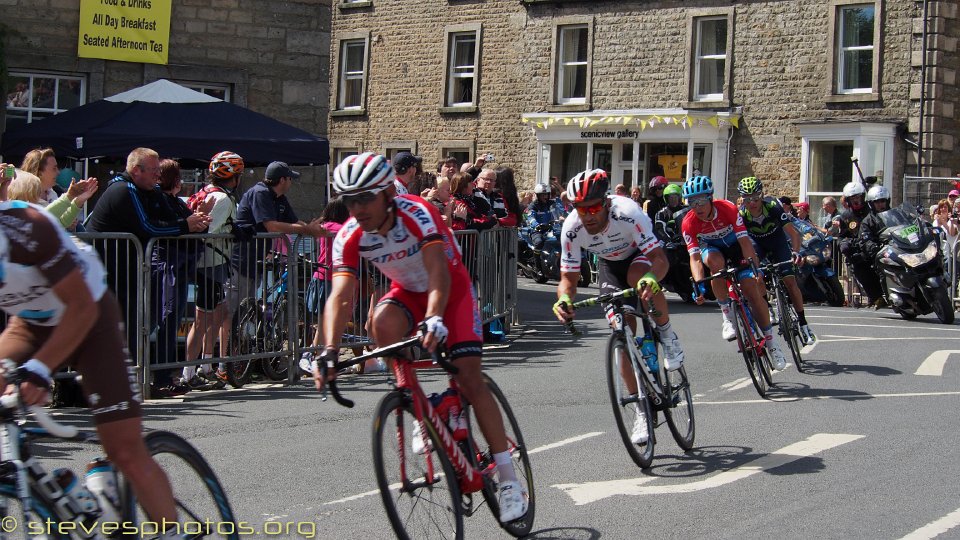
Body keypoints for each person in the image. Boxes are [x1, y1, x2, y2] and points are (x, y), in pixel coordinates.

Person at [313, 152, 529, 523]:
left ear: (386, 194)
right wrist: (328, 350)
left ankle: (508, 478)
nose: (358, 208)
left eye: (365, 198)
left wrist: (433, 318)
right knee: (380, 323)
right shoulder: (349, 235)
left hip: (451, 289)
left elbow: (439, 273)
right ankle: (417, 408)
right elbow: (340, 295)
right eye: (350, 200)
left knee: (469, 378)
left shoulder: (416, 213)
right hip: (408, 291)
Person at [0, 201, 182, 535]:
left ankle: (172, 531)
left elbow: (81, 307)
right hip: (30, 323)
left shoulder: (27, 227)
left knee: (124, 449)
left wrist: (40, 369)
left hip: (89, 315)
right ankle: (55, 487)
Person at [552, 169, 685, 444]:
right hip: (609, 266)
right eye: (581, 208)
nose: (588, 214)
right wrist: (564, 299)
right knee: (621, 329)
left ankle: (667, 333)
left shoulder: (628, 212)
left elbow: (660, 259)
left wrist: (652, 277)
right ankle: (640, 408)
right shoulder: (572, 228)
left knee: (640, 280)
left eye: (595, 207)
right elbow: (568, 278)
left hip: (641, 256)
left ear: (608, 202)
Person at [85, 148, 212, 397]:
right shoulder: (124, 190)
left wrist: (194, 221)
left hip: (131, 270)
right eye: (153, 171)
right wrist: (183, 225)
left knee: (134, 325)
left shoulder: (150, 192)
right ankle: (108, 383)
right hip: (108, 271)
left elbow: (173, 217)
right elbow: (147, 227)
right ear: (136, 170)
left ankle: (135, 380)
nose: (157, 176)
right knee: (119, 326)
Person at [680, 175, 788, 369]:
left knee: (752, 292)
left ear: (711, 198)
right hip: (712, 249)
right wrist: (698, 286)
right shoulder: (688, 222)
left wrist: (754, 268)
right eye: (692, 202)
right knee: (716, 264)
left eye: (702, 200)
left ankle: (772, 343)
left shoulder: (728, 208)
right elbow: (695, 258)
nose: (698, 206)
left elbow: (746, 243)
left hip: (736, 246)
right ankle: (727, 316)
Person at [228, 161, 330, 324]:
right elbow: (271, 226)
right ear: (282, 180)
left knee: (247, 309)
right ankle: (224, 348)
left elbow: (296, 222)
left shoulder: (280, 198)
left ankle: (242, 346)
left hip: (258, 260)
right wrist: (306, 230)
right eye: (290, 178)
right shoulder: (260, 193)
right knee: (233, 312)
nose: (291, 182)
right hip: (242, 260)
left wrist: (313, 227)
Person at [184, 151, 244, 388]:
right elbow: (207, 230)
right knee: (202, 320)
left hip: (212, 262)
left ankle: (206, 366)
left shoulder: (205, 192)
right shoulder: (223, 200)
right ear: (235, 176)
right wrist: (233, 230)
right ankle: (188, 373)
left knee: (218, 314)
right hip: (210, 263)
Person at [737, 177, 816, 345]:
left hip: (778, 242)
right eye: (747, 199)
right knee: (755, 273)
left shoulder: (772, 207)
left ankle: (803, 324)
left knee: (790, 282)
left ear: (762, 195)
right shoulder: (741, 214)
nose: (752, 203)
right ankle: (768, 308)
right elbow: (740, 241)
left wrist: (795, 252)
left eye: (756, 198)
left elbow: (794, 234)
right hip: (757, 244)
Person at [833, 181, 885, 307]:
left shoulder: (873, 209)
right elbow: (842, 236)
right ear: (848, 200)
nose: (856, 201)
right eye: (853, 198)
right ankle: (877, 297)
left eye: (858, 197)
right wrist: (843, 244)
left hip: (878, 243)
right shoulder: (846, 216)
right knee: (859, 268)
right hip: (862, 250)